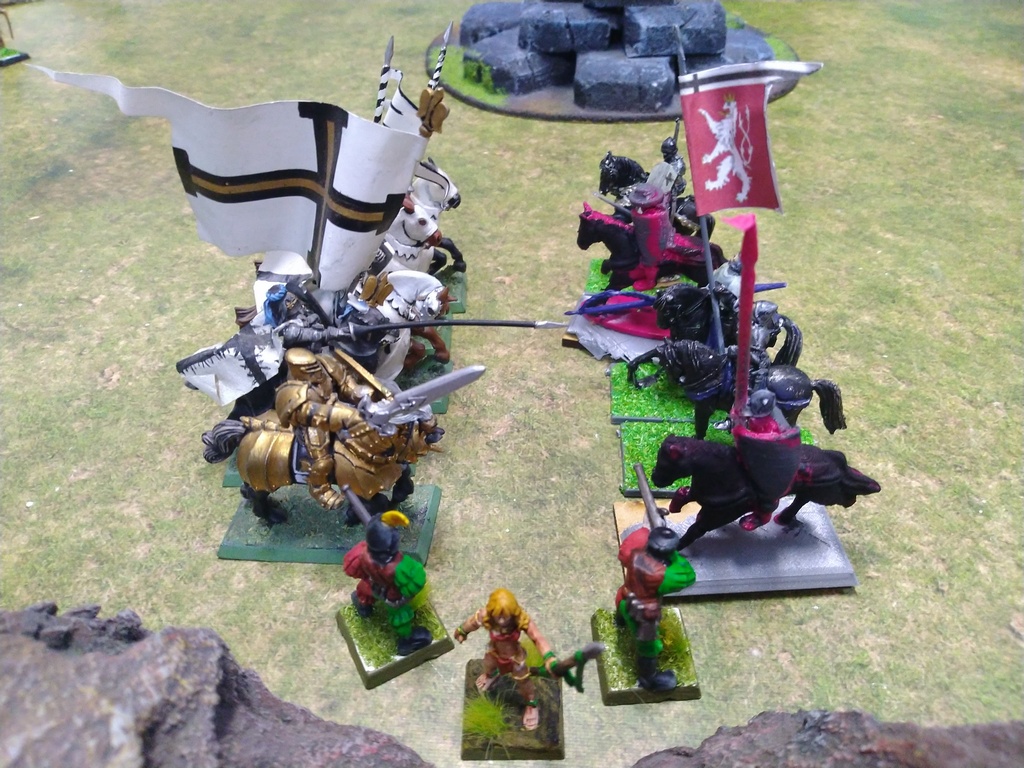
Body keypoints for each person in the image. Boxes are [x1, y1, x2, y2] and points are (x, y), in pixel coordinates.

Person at [454, 589, 556, 730]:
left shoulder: (520, 619)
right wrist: (462, 631)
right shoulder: (486, 615)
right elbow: (472, 623)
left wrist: (549, 657)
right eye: (498, 616)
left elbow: (537, 638)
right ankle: (491, 675)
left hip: (515, 657)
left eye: (505, 616)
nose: (501, 620)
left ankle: (532, 703)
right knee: (488, 665)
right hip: (494, 652)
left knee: (523, 682)